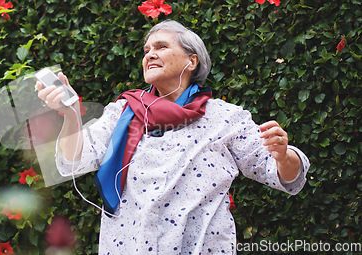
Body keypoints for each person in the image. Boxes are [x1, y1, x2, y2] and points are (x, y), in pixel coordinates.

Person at [36, 20, 309, 255]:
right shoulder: (123, 111)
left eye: (161, 47)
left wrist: (284, 155)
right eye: (146, 50)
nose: (149, 55)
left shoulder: (225, 117)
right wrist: (70, 115)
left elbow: (280, 174)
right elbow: (74, 162)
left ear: (192, 61)